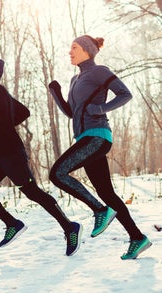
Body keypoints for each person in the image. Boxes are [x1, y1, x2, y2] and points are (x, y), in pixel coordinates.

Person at [0, 58, 82, 256]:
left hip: (10, 154)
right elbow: (23, 112)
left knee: (32, 192)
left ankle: (70, 227)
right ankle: (12, 223)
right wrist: (3, 122)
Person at [48, 35, 152, 260]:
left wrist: (103, 108)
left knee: (57, 173)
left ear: (86, 50)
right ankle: (137, 238)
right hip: (84, 138)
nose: (70, 51)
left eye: (73, 47)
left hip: (97, 136)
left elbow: (125, 94)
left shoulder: (99, 71)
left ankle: (99, 210)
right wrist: (55, 92)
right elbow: (70, 112)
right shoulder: (76, 80)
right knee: (106, 192)